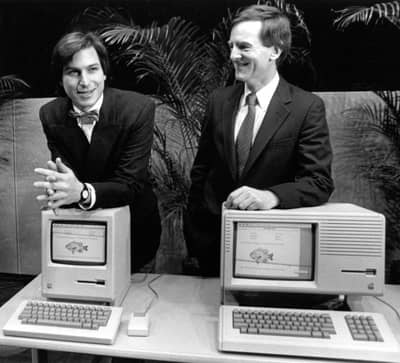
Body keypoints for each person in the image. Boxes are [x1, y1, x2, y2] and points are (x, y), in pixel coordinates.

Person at [184, 5, 334, 276]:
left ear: (274, 51)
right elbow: (201, 171)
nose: (232, 56)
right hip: (212, 250)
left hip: (273, 251)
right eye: (231, 46)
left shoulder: (306, 108)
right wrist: (195, 234)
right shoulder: (218, 101)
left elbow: (318, 182)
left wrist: (271, 196)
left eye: (243, 47)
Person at [34, 31, 161, 273]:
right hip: (81, 234)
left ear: (104, 72)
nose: (84, 81)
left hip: (133, 232)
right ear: (61, 79)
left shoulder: (138, 109)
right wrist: (59, 190)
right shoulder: (50, 114)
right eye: (73, 72)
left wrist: (80, 192)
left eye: (92, 69)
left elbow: (129, 184)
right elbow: (66, 173)